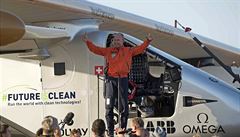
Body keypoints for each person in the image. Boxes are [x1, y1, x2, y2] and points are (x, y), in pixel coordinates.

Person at [82, 32, 152, 136]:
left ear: (122, 41)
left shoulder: (129, 51)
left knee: (124, 106)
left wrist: (147, 41)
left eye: (118, 40)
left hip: (123, 79)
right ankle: (110, 132)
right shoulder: (108, 51)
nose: (116, 42)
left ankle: (122, 129)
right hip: (110, 80)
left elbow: (140, 48)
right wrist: (87, 42)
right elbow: (95, 49)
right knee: (108, 106)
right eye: (114, 40)